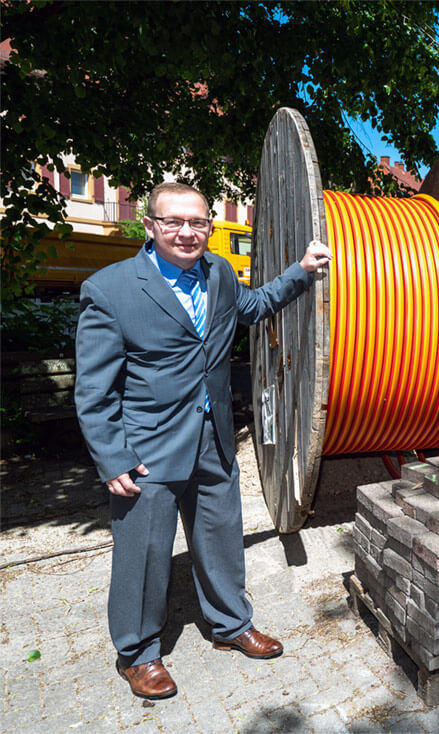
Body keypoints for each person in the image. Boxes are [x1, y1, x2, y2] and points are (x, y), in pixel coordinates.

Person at [74, 181, 333, 700]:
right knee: (143, 555)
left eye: (197, 222)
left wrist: (301, 272)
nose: (187, 232)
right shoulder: (110, 289)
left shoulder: (218, 273)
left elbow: (256, 306)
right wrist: (111, 457)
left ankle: (231, 624)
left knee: (220, 539)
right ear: (149, 226)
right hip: (147, 448)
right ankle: (139, 653)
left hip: (213, 437)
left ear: (208, 226)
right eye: (173, 222)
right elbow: (94, 388)